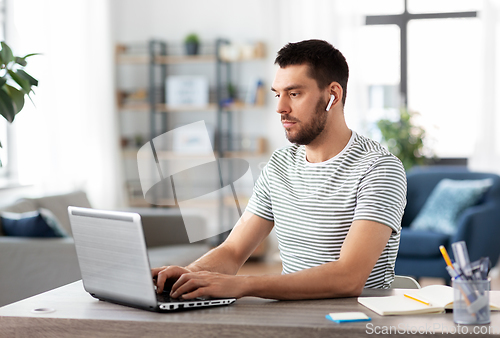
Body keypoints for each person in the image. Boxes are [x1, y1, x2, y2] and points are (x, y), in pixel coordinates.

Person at [152, 39, 407, 300]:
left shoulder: (379, 169)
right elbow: (233, 251)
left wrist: (244, 285)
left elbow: (348, 278)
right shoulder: (279, 166)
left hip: (357, 320)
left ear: (333, 95)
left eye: (294, 94)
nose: (280, 108)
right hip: (290, 316)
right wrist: (187, 274)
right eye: (278, 94)